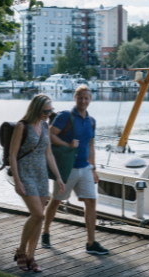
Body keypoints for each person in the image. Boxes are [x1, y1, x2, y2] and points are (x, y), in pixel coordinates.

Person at [42, 85, 109, 255]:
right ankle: (45, 231)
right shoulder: (66, 116)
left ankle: (91, 243)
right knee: (56, 201)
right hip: (67, 168)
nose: (83, 101)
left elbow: (91, 146)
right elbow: (50, 134)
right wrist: (67, 144)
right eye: (80, 98)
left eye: (86, 98)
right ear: (75, 98)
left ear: (91, 99)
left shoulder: (91, 121)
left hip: (85, 168)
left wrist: (93, 169)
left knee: (91, 202)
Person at [10, 94, 65, 272]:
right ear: (36, 109)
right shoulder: (22, 126)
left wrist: (58, 176)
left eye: (51, 111)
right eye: (45, 111)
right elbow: (13, 155)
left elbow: (48, 154)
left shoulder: (45, 125)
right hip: (25, 174)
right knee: (38, 214)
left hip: (41, 175)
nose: (48, 114)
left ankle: (31, 256)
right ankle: (21, 251)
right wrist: (17, 181)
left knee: (38, 218)